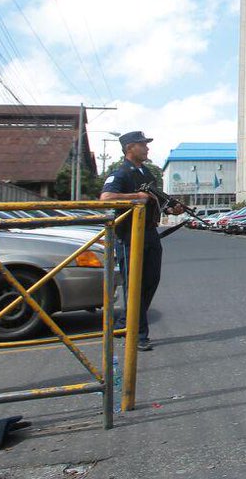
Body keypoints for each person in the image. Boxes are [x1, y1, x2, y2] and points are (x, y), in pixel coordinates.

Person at [100, 131, 178, 351]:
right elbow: (105, 198)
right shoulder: (121, 173)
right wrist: (134, 197)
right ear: (130, 148)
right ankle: (137, 335)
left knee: (151, 280)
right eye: (143, 145)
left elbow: (156, 201)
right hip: (129, 235)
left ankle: (125, 323)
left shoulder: (145, 173)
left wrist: (173, 208)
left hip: (150, 233)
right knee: (134, 284)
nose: (147, 148)